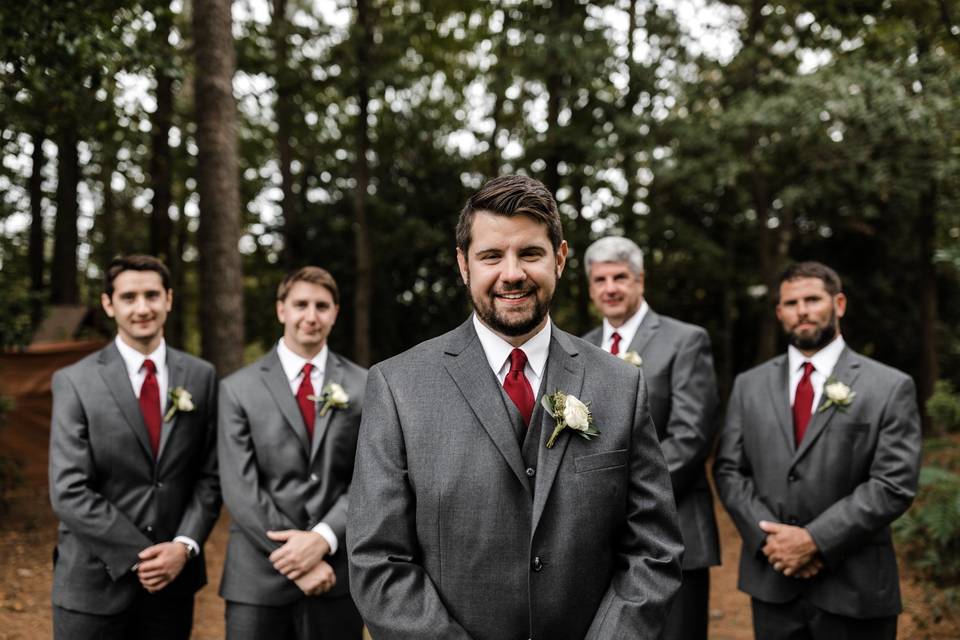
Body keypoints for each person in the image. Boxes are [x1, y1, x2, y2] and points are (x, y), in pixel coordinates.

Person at [348, 175, 682, 639]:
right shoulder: (396, 385)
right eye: (491, 256)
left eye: (530, 253)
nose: (512, 274)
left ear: (560, 258)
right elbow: (377, 559)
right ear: (463, 265)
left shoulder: (621, 385)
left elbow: (653, 549)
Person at [713, 261, 921, 640]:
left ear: (838, 304)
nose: (803, 311)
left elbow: (893, 483)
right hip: (772, 585)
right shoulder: (749, 385)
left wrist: (814, 541)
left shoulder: (889, 386)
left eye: (813, 299)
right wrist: (771, 542)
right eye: (791, 303)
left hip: (855, 587)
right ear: (779, 312)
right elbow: (729, 470)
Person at [49, 255, 220, 640]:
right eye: (129, 297)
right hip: (92, 585)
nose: (142, 308)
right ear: (109, 304)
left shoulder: (201, 376)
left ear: (169, 299)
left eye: (151, 295)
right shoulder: (74, 381)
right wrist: (141, 555)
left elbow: (210, 476)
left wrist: (183, 546)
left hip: (173, 586)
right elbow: (68, 489)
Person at [581, 235, 721, 640]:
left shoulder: (685, 341)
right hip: (599, 539)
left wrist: (621, 496)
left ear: (640, 280)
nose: (610, 287)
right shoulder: (577, 348)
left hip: (673, 529)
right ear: (591, 288)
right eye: (600, 279)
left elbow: (692, 438)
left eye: (620, 276)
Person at [218, 266, 366, 640]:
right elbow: (240, 488)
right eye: (300, 304)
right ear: (281, 310)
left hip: (337, 575)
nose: (310, 316)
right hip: (257, 580)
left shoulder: (366, 385)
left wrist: (323, 538)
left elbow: (371, 477)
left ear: (335, 312)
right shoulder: (237, 389)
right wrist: (299, 561)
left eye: (321, 305)